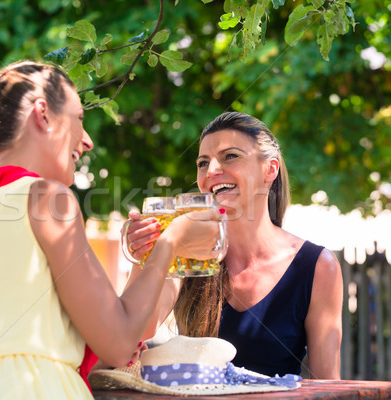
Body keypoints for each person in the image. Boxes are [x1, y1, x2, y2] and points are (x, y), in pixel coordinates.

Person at [0, 60, 223, 400]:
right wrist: (172, 240)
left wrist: (148, 259)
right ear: (43, 115)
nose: (87, 141)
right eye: (79, 119)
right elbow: (119, 344)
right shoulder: (48, 199)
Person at [122, 111, 343, 379]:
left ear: (269, 169)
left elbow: (327, 384)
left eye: (231, 156)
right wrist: (145, 255)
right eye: (203, 163)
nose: (212, 171)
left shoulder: (316, 266)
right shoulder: (187, 254)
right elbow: (134, 332)